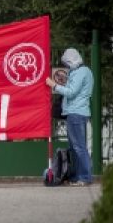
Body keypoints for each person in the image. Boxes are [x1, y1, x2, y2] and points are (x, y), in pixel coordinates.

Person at [46, 47, 94, 186]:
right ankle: (77, 176)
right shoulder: (83, 71)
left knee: (79, 147)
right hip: (76, 113)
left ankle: (84, 177)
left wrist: (53, 85)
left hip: (76, 113)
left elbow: (72, 92)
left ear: (71, 60)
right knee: (75, 147)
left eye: (66, 63)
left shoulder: (81, 72)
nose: (66, 66)